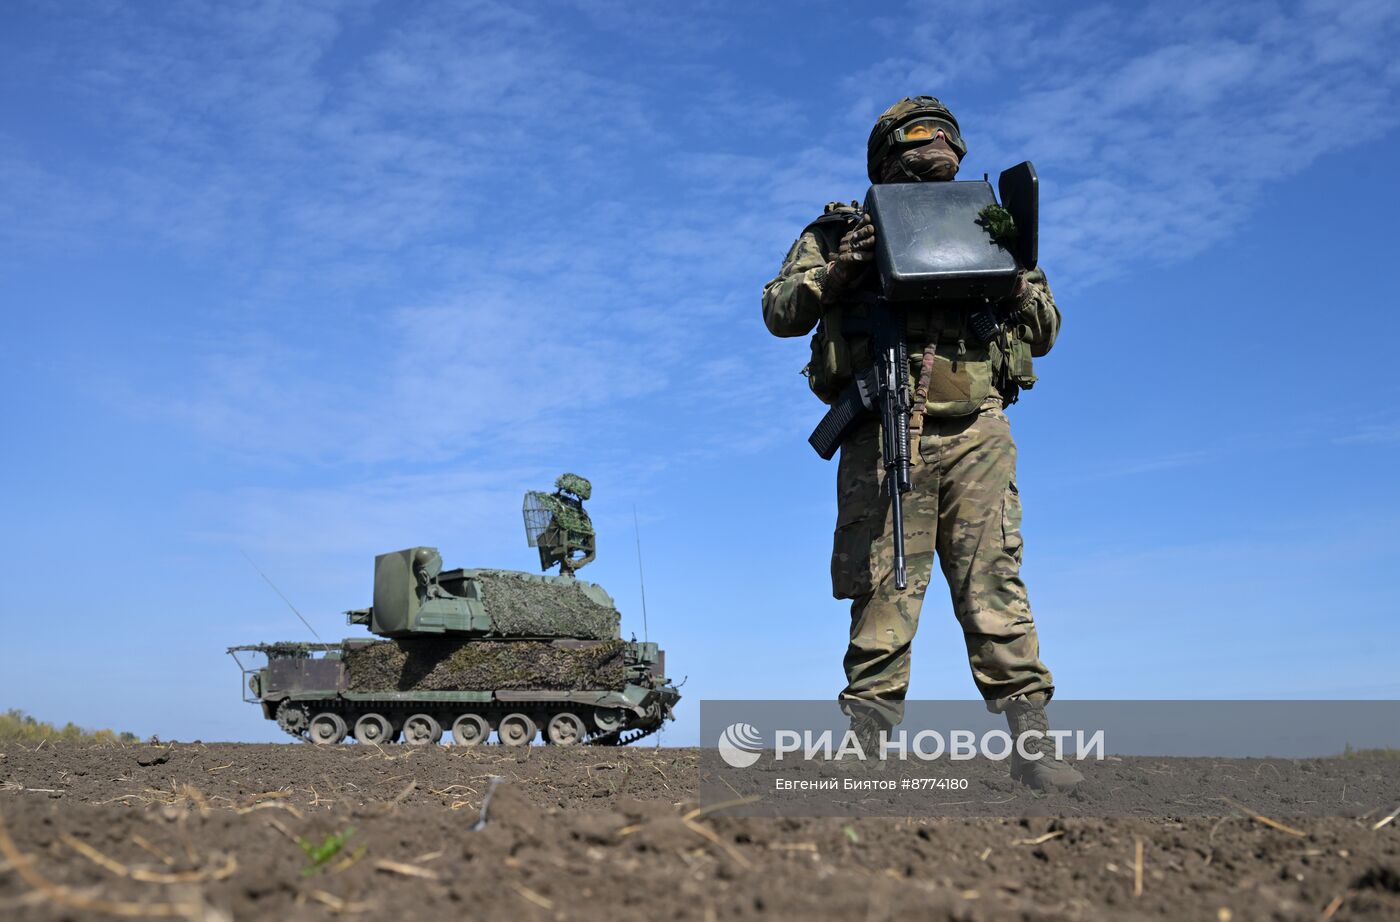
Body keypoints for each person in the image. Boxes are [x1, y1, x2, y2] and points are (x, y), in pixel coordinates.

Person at [761, 96, 1081, 791]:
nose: (934, 152)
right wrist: (838, 273)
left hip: (977, 433)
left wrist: (1016, 281)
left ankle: (1032, 742)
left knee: (992, 582)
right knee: (882, 585)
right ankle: (867, 743)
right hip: (881, 425)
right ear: (886, 158)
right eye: (917, 143)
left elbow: (1047, 331)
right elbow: (779, 311)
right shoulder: (840, 232)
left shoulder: (994, 225)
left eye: (942, 142)